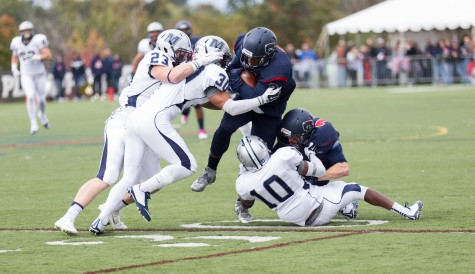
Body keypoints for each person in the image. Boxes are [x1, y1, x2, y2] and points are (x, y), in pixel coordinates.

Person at [89, 35, 281, 234]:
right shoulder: (212, 71)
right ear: (213, 54)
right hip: (154, 120)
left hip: (135, 119)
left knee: (129, 177)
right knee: (188, 165)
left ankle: (100, 221)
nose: (225, 62)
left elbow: (209, 101)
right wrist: (261, 100)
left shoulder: (188, 67)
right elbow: (230, 107)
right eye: (223, 57)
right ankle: (141, 190)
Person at [55, 30, 224, 236]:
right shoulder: (157, 57)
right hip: (125, 120)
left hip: (144, 125)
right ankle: (68, 216)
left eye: (185, 54)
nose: (183, 58)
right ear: (166, 48)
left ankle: (112, 210)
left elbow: (197, 96)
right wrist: (199, 63)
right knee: (108, 175)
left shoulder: (177, 65)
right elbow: (171, 76)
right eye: (180, 53)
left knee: (153, 180)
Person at [234, 135, 423, 227]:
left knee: (330, 188)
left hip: (291, 217)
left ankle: (347, 209)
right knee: (355, 189)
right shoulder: (283, 155)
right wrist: (310, 154)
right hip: (315, 208)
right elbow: (317, 171)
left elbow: (247, 202)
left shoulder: (243, 183)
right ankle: (407, 212)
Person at [191, 27, 296, 192]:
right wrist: (235, 73)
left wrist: (235, 78)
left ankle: (244, 199)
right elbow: (234, 66)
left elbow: (255, 96)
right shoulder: (243, 42)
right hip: (252, 95)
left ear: (267, 57)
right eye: (245, 57)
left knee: (260, 157)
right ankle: (210, 171)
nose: (247, 62)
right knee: (223, 130)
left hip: (269, 107)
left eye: (253, 61)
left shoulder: (280, 68)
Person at [10, 21, 52, 135]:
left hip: (39, 74)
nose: (27, 32)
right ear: (21, 32)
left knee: (42, 99)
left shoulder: (38, 39)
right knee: (30, 96)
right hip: (26, 74)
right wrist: (14, 67)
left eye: (29, 30)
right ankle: (33, 123)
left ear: (32, 30)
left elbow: (48, 55)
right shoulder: (16, 42)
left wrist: (37, 57)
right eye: (24, 31)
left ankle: (42, 114)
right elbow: (14, 57)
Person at [175, 20, 208, 139]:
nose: (184, 32)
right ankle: (185, 113)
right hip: (180, 75)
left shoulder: (197, 41)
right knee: (180, 101)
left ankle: (202, 130)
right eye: (181, 30)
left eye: (185, 30)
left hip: (195, 74)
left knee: (197, 103)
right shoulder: (175, 43)